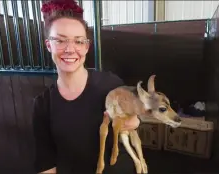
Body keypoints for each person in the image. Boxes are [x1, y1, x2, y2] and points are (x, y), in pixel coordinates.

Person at [32, 0, 140, 173]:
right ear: (48, 45)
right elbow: (46, 162)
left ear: (87, 46)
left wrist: (135, 120)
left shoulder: (110, 84)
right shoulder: (43, 104)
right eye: (60, 41)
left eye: (78, 41)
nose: (70, 49)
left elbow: (134, 118)